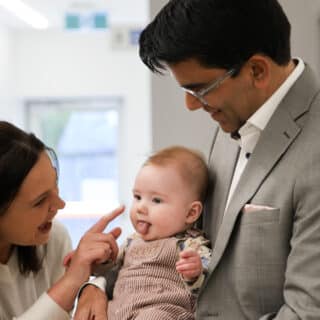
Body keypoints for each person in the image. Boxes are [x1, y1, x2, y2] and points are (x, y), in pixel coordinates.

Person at [137, 0, 320, 319]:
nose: (191, 106)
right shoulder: (235, 116)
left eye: (200, 90)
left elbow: (307, 312)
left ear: (257, 71)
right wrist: (98, 283)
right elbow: (196, 244)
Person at [0, 120, 124, 320]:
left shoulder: (52, 238)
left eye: (55, 185)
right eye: (40, 201)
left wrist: (95, 282)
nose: (60, 205)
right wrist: (72, 280)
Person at [75, 146, 212, 320]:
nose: (141, 207)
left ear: (191, 213)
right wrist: (99, 263)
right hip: (119, 311)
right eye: (137, 197)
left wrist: (195, 271)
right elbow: (112, 274)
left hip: (162, 311)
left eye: (156, 200)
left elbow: (210, 282)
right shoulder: (132, 241)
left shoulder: (190, 244)